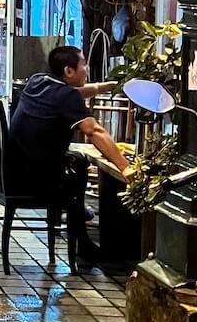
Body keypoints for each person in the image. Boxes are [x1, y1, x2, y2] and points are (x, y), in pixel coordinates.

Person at [9, 45, 130, 262]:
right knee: (79, 168)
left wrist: (109, 87)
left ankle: (79, 222)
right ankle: (82, 239)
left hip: (15, 172)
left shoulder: (37, 81)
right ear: (69, 71)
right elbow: (94, 131)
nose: (87, 68)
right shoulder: (65, 97)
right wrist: (125, 167)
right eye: (83, 64)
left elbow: (74, 93)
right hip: (37, 180)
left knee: (76, 162)